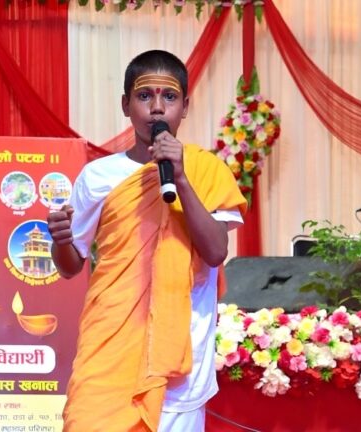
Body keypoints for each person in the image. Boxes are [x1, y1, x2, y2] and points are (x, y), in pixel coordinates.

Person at [47, 49, 247, 432]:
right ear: (126, 104)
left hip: (180, 358)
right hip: (109, 350)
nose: (157, 108)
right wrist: (60, 240)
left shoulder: (206, 170)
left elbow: (216, 251)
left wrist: (181, 178)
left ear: (184, 107)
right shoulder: (97, 176)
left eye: (169, 96)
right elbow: (71, 265)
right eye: (144, 96)